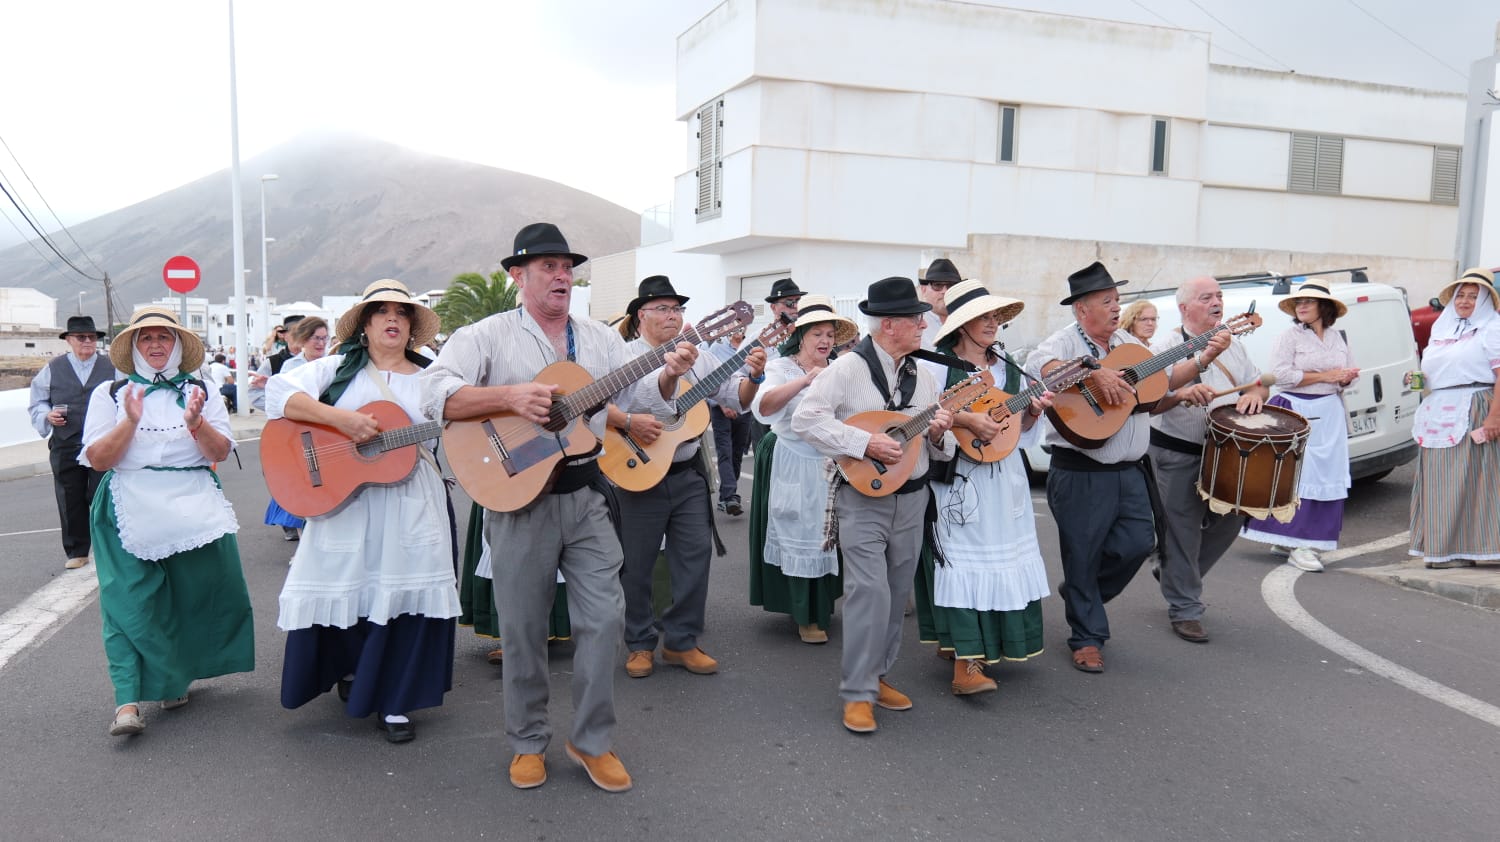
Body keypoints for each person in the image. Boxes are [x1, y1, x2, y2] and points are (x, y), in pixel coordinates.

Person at [421, 222, 695, 792]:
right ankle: (526, 740)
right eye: (547, 266)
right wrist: (508, 396)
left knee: (604, 619)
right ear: (518, 275)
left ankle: (592, 740)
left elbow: (642, 402)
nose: (561, 276)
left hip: (586, 494)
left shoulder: (598, 339)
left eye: (567, 267)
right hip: (518, 498)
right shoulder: (487, 335)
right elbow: (436, 391)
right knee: (522, 629)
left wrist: (668, 375)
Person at [269, 281, 458, 744]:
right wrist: (343, 421)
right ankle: (354, 671)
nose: (392, 319)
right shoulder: (336, 368)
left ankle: (396, 699)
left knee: (407, 595)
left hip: (414, 497)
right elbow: (277, 394)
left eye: (402, 312)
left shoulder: (435, 374)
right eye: (381, 312)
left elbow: (465, 420)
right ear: (366, 324)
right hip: (346, 499)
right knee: (349, 586)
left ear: (412, 326)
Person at [1024, 262, 1228, 674]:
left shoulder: (1130, 345)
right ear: (1083, 309)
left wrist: (1204, 358)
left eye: (1118, 300)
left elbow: (1164, 384)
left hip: (1131, 469)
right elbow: (1041, 369)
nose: (1117, 308)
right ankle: (1087, 637)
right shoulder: (1061, 342)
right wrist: (1095, 372)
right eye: (1107, 301)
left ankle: (1083, 595)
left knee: (1138, 542)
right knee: (1083, 552)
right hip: (1081, 469)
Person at [792, 276, 955, 734]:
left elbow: (930, 445)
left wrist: (940, 431)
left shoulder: (922, 375)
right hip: (861, 498)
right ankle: (858, 692)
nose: (924, 324)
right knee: (870, 592)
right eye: (915, 319)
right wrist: (864, 443)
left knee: (897, 590)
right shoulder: (844, 370)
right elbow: (807, 419)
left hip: (912, 496)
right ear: (889, 325)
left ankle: (878, 675)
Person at [79, 306, 252, 737]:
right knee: (127, 604)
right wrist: (130, 423)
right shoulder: (110, 393)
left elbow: (218, 453)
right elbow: (99, 459)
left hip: (191, 503)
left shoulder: (203, 389)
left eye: (164, 337)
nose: (155, 344)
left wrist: (195, 424)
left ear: (177, 345)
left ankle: (174, 677)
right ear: (134, 347)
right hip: (127, 502)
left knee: (192, 597)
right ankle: (127, 702)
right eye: (146, 338)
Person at [612, 275, 766, 680]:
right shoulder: (624, 355)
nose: (672, 316)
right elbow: (646, 402)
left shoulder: (699, 353)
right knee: (637, 562)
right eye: (663, 309)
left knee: (695, 557)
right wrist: (668, 377)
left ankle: (682, 641)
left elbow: (735, 399)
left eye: (677, 309)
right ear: (640, 316)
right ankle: (640, 642)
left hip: (686, 471)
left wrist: (753, 376)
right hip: (636, 467)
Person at [916, 281, 1052, 694]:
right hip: (961, 477)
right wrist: (965, 421)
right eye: (985, 317)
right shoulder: (936, 366)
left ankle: (979, 643)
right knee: (961, 563)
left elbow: (1018, 432)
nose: (993, 323)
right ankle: (966, 663)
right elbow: (923, 418)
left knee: (1003, 560)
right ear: (962, 325)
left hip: (1005, 478)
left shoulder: (1010, 363)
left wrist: (1030, 413)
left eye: (996, 317)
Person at [1147, 277, 1267, 643]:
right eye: (1206, 297)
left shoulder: (1233, 345)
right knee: (1181, 533)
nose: (1217, 302)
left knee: (1231, 522)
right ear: (1185, 308)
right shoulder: (1164, 346)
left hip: (1226, 454)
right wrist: (1182, 392)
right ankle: (1185, 608)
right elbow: (1152, 402)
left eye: (1219, 295)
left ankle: (1175, 576)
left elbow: (1257, 384)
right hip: (1175, 452)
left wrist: (1255, 396)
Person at [748, 295, 858, 644]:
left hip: (829, 463)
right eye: (816, 334)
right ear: (801, 336)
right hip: (792, 459)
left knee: (827, 535)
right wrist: (805, 380)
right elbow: (763, 407)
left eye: (829, 334)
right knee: (799, 530)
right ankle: (803, 613)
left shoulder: (841, 368)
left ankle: (821, 607)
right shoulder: (782, 368)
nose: (825, 341)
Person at [1239, 281, 1357, 573]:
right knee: (1297, 475)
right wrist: (1327, 374)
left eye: (1309, 301)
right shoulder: (1288, 337)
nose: (1302, 306)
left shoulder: (1337, 338)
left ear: (1323, 307)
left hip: (1329, 411)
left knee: (1327, 472)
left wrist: (1345, 379)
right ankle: (1298, 540)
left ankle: (1295, 539)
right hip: (1296, 410)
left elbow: (1350, 373)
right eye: (1299, 302)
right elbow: (1281, 376)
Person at [1408, 268, 1500, 569]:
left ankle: (1469, 549)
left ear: (1486, 300)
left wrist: (1493, 418)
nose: (1465, 301)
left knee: (1470, 483)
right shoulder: (1442, 329)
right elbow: (1435, 372)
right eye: (1461, 295)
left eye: (1474, 296)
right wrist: (1418, 377)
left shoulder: (1492, 328)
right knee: (1438, 482)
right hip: (1439, 410)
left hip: (1474, 407)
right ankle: (1440, 548)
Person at [28, 315, 115, 569]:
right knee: (69, 496)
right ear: (68, 340)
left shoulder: (112, 366)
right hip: (65, 442)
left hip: (102, 442)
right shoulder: (53, 368)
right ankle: (77, 551)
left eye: (92, 337)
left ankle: (108, 550)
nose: (87, 341)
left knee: (103, 494)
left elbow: (125, 396)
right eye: (81, 337)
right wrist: (47, 415)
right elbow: (38, 400)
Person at [261, 316, 330, 542]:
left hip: (328, 434)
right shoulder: (290, 366)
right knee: (302, 486)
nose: (320, 343)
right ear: (303, 339)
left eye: (323, 338)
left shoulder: (335, 363)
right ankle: (303, 544)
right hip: (297, 434)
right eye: (314, 338)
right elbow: (276, 398)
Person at [710, 327, 753, 515]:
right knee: (725, 452)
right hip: (720, 409)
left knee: (736, 454)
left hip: (744, 409)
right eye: (733, 324)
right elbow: (707, 381)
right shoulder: (716, 350)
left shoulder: (750, 346)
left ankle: (726, 496)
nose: (738, 329)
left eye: (741, 325)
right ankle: (729, 496)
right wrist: (722, 404)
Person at [250, 315, 305, 411]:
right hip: (284, 420)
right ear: (285, 335)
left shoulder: (318, 360)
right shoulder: (272, 362)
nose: (299, 336)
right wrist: (282, 407)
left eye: (303, 332)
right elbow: (254, 394)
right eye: (294, 332)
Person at [918, 258, 961, 348]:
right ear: (923, 289)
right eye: (937, 285)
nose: (945, 291)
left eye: (951, 286)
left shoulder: (969, 323)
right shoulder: (914, 323)